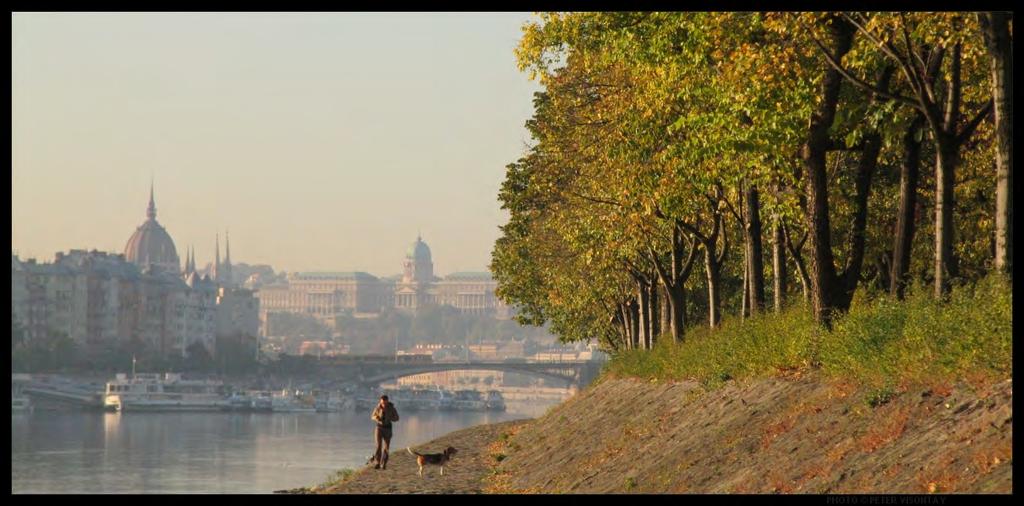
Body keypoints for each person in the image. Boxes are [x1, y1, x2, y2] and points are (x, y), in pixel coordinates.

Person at [370, 394, 399, 469]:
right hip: (379, 428)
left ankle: (384, 463)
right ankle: (377, 463)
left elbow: (397, 418)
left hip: (388, 429)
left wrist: (390, 418)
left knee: (386, 447)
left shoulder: (392, 408)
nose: (383, 404)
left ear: (387, 401)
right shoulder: (377, 408)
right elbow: (372, 416)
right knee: (378, 446)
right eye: (382, 403)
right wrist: (376, 418)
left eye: (385, 403)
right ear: (380, 401)